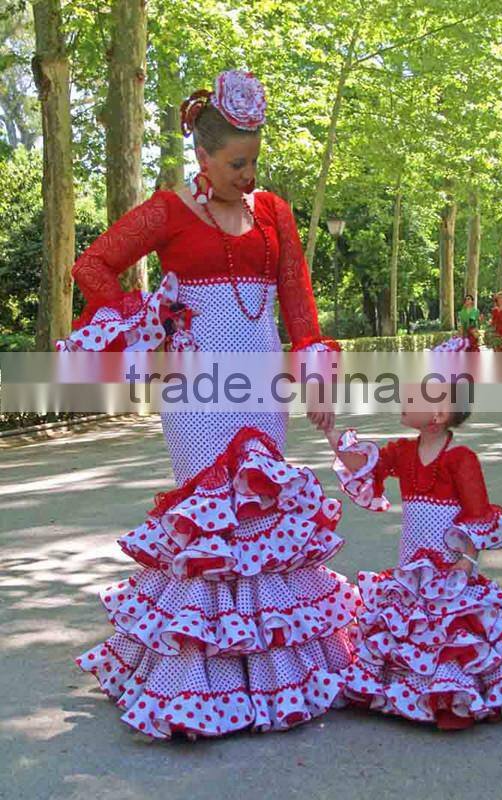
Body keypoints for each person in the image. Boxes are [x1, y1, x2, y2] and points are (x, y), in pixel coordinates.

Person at [57, 70, 358, 740]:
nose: (248, 175)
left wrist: (315, 376)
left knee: (259, 511)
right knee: (209, 513)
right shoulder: (166, 210)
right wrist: (145, 322)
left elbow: (295, 298)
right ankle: (198, 686)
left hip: (259, 376)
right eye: (235, 163)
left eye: (254, 161)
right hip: (194, 383)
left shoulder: (274, 212)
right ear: (203, 155)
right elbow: (92, 266)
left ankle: (269, 678)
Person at [309, 409, 502, 730]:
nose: (405, 397)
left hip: (449, 569)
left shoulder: (461, 459)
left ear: (438, 414)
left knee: (451, 633)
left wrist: (469, 558)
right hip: (411, 569)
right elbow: (361, 466)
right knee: (409, 626)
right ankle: (405, 688)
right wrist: (331, 433)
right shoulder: (404, 452)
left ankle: (452, 695)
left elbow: (477, 513)